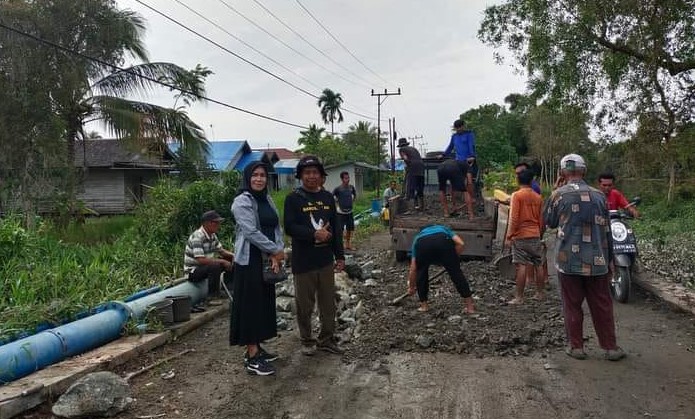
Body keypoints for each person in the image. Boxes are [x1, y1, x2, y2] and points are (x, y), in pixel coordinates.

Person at [545, 154, 626, 361]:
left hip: (567, 261)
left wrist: (556, 190)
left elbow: (550, 221)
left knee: (572, 304)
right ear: (585, 171)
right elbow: (607, 230)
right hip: (597, 260)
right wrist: (610, 261)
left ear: (563, 172)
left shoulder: (558, 195)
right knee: (602, 304)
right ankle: (610, 348)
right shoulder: (600, 196)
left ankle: (577, 347)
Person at [284, 156, 346, 356]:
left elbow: (336, 228)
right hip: (303, 262)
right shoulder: (293, 199)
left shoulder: (328, 198)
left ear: (321, 176)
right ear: (301, 176)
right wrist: (313, 234)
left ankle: (326, 339)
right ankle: (307, 339)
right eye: (307, 173)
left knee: (328, 303)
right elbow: (290, 227)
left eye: (315, 172)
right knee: (305, 304)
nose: (311, 176)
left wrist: (340, 255)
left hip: (325, 260)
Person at [228, 162, 285, 376]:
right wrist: (274, 251)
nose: (259, 179)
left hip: (267, 258)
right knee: (250, 306)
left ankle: (258, 348)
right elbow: (251, 232)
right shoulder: (241, 202)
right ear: (247, 178)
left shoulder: (267, 199)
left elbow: (276, 227)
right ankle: (252, 356)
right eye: (255, 175)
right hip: (249, 260)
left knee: (263, 304)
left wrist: (277, 251)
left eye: (262, 175)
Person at [406, 224, 475, 314]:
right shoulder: (444, 229)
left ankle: (424, 305)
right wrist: (453, 259)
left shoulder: (418, 237)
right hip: (443, 241)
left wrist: (411, 287)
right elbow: (461, 243)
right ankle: (470, 307)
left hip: (423, 245)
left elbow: (413, 268)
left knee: (421, 273)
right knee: (456, 274)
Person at [506, 169, 545, 304]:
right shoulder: (538, 197)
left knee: (521, 266)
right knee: (538, 264)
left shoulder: (517, 196)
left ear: (518, 180)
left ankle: (519, 297)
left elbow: (514, 218)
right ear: (531, 181)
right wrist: (539, 233)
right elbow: (541, 219)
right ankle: (540, 294)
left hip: (521, 235)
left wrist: (509, 236)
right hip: (534, 234)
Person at [183, 210, 234, 299]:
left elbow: (221, 251)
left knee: (230, 259)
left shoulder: (212, 235)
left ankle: (229, 288)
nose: (218, 225)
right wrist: (222, 261)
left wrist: (234, 256)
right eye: (215, 223)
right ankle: (212, 297)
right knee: (215, 265)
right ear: (207, 223)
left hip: (206, 267)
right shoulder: (197, 237)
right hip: (193, 271)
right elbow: (201, 260)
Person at [442, 119, 478, 217]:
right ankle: (454, 206)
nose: (458, 130)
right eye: (456, 128)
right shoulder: (454, 137)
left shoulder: (469, 135)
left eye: (459, 128)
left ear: (463, 126)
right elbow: (450, 147)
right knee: (455, 185)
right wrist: (443, 155)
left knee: (469, 182)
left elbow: (472, 146)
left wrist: (472, 157)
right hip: (458, 162)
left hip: (468, 161)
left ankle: (472, 199)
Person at [397, 138, 425, 211]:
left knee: (410, 187)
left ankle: (410, 209)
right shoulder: (413, 149)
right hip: (421, 167)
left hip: (413, 167)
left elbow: (405, 158)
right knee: (420, 187)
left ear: (400, 145)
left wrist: (408, 166)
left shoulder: (402, 149)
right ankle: (421, 206)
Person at [333, 171, 357, 251]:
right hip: (340, 213)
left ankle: (348, 244)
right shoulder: (338, 189)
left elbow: (354, 195)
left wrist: (351, 202)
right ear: (342, 179)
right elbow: (332, 197)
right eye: (346, 178)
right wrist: (336, 204)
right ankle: (340, 245)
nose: (348, 179)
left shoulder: (351, 187)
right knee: (340, 230)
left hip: (349, 212)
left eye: (348, 178)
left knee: (349, 229)